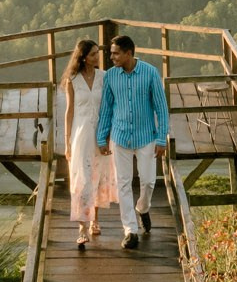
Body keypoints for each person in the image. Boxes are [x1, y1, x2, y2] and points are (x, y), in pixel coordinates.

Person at [95, 34, 169, 250]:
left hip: (146, 136)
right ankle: (130, 230)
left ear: (129, 53)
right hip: (119, 137)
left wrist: (161, 138)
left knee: (148, 181)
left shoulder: (150, 73)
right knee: (123, 183)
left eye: (116, 53)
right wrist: (102, 137)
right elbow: (106, 108)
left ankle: (143, 208)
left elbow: (161, 108)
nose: (111, 57)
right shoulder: (110, 76)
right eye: (111, 53)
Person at [57, 38, 117, 251]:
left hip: (101, 133)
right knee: (82, 178)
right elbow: (69, 111)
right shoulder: (73, 79)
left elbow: (111, 105)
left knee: (99, 175)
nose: (97, 57)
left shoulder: (104, 77)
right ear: (83, 57)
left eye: (97, 53)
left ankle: (95, 220)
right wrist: (66, 142)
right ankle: (82, 228)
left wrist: (110, 133)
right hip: (80, 135)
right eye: (93, 54)